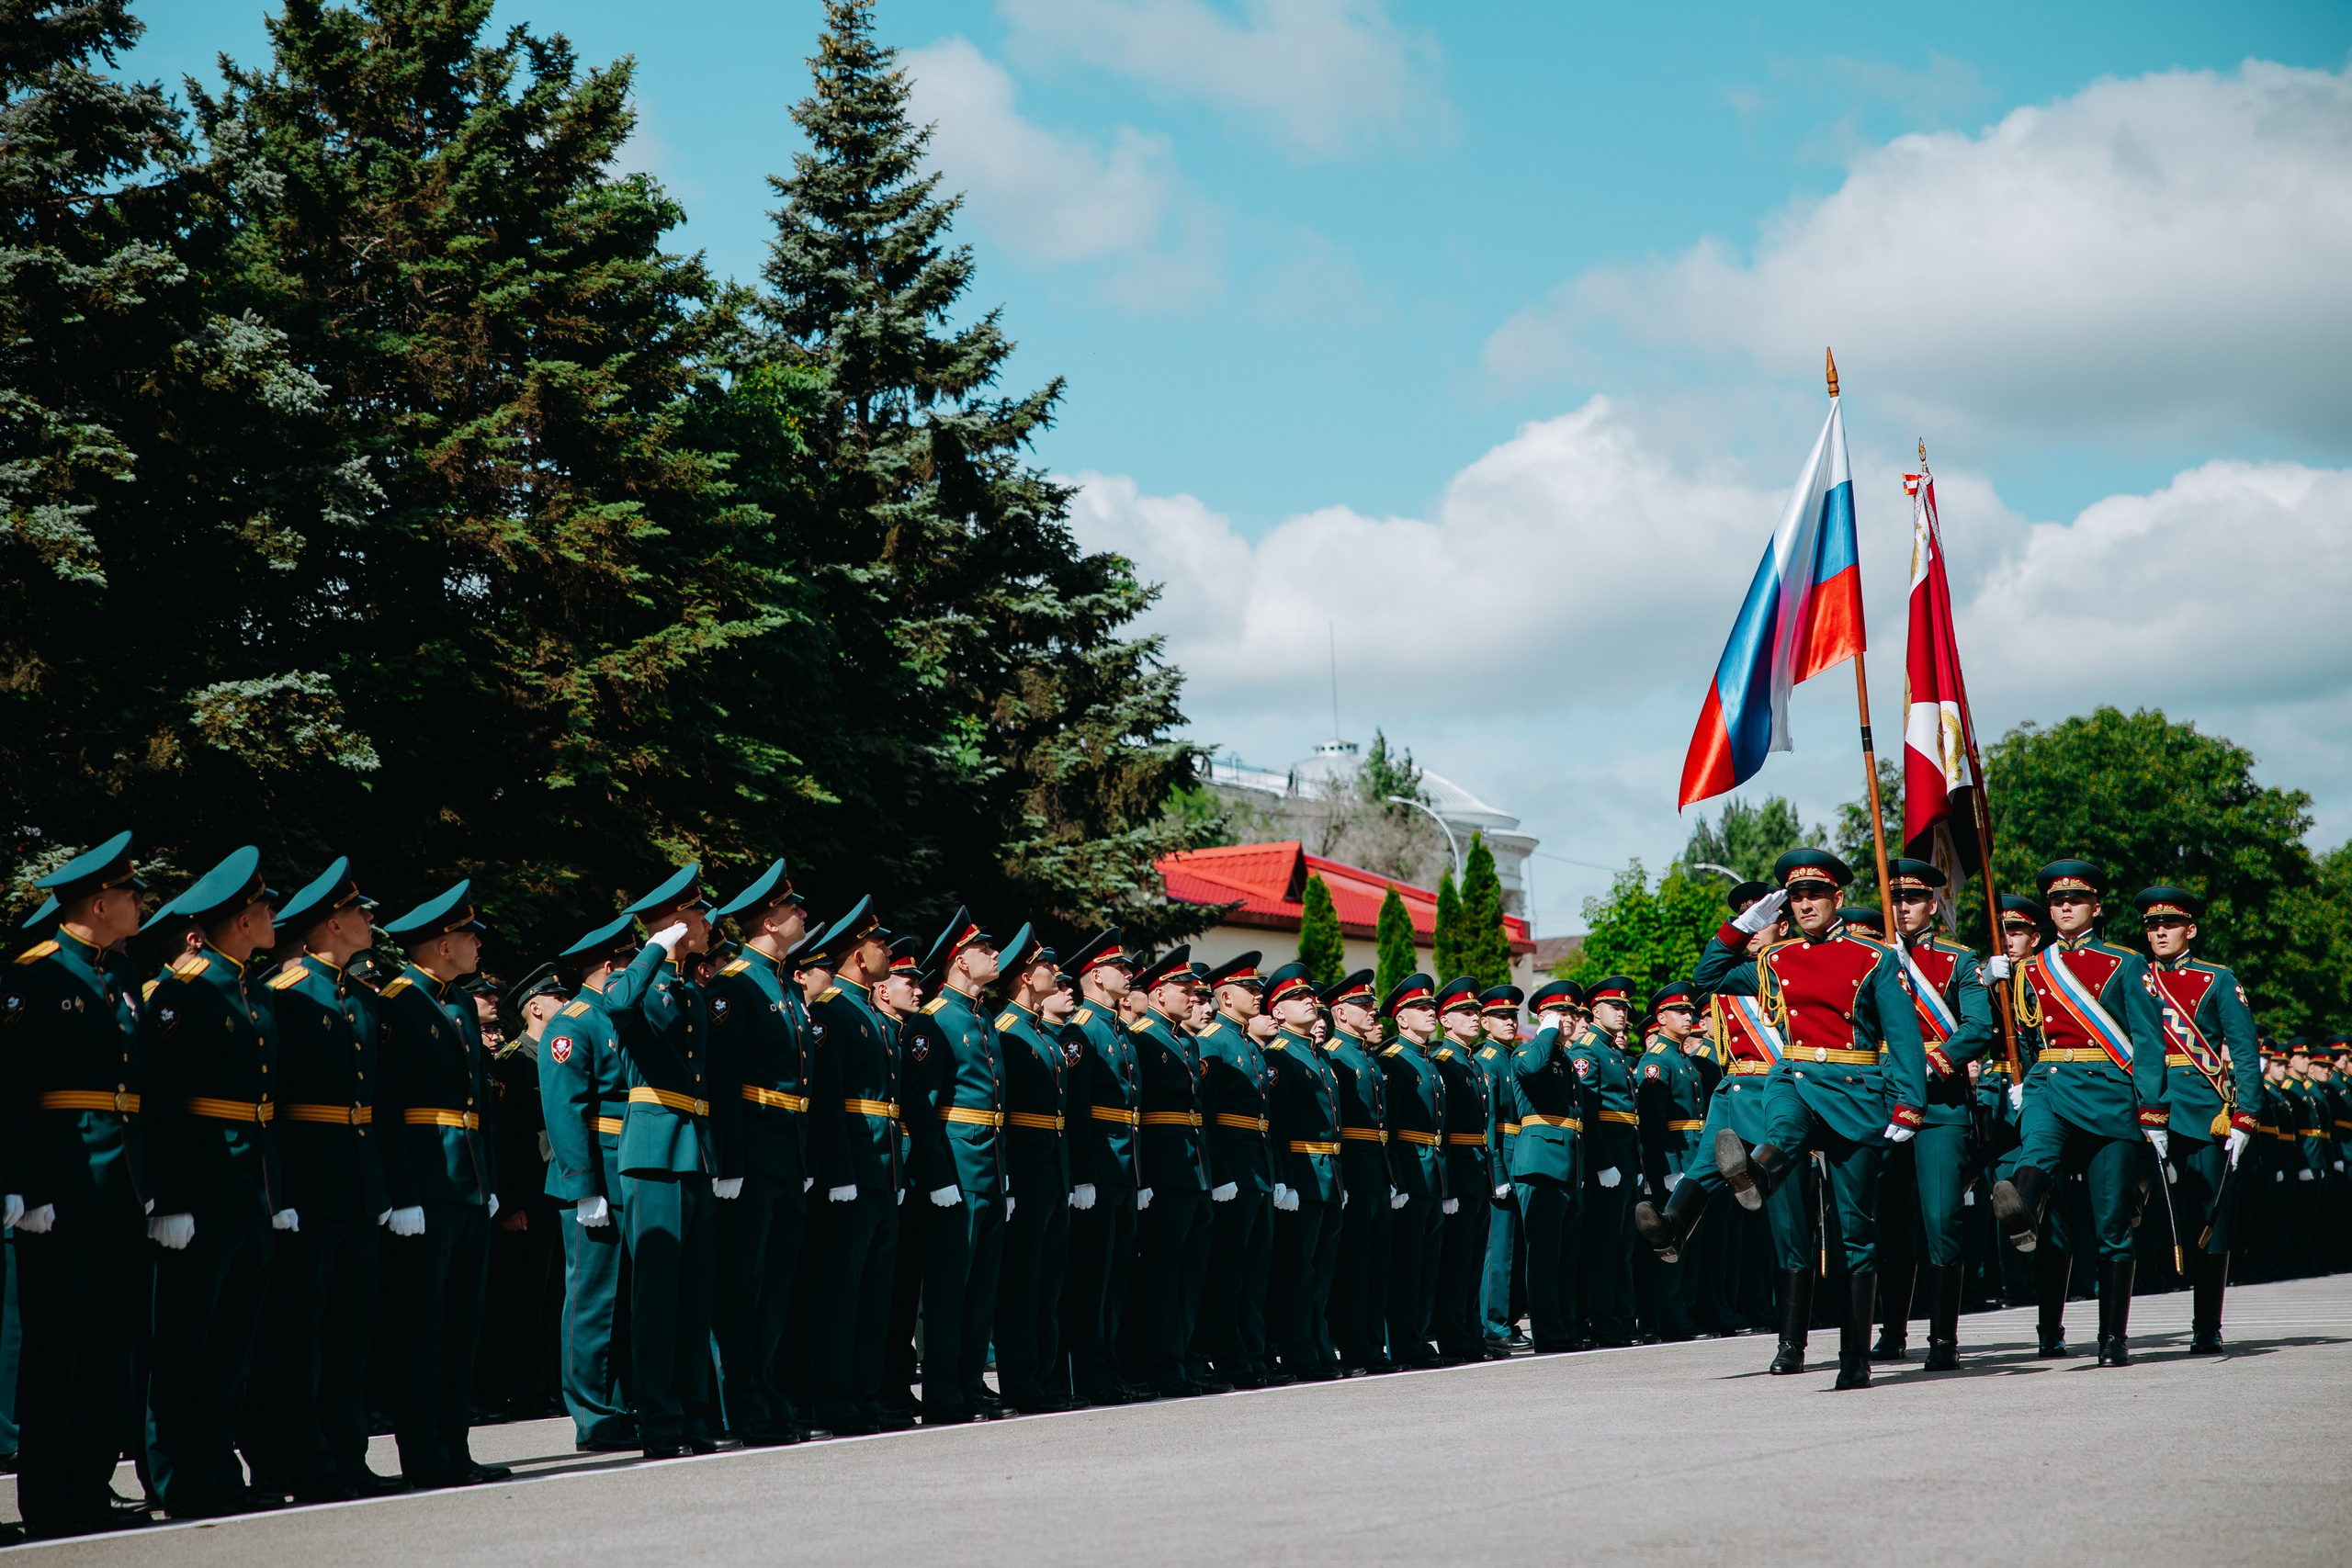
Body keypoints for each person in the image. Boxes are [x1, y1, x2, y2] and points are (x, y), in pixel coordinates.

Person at [1690, 850, 1928, 1390]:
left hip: (1854, 1092)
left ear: (1837, 898)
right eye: (1796, 897)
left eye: (1814, 894)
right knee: (1783, 1129)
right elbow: (1709, 976)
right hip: (1794, 1077)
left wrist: (1910, 1104)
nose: (1804, 905)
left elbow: (1904, 1036)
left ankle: (1855, 1356)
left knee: (1856, 1233)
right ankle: (1755, 1174)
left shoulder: (1874, 958)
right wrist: (1742, 927)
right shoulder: (1777, 958)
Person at [2, 835, 152, 1536]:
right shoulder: (34, 975)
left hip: (120, 1182)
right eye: (131, 894)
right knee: (57, 1345)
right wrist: (20, 1185)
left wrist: (151, 1180)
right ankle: (48, 1494)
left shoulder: (122, 974)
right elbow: (12, 1088)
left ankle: (91, 1484)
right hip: (60, 1184)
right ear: (99, 903)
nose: (141, 903)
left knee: (108, 1342)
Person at [140, 846, 295, 1517]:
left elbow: (265, 1108)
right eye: (264, 908)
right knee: (185, 1341)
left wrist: (276, 1194)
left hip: (249, 1189)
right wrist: (171, 1199)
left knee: (232, 1342)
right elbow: (163, 1102)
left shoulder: (251, 991)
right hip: (202, 1189)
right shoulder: (186, 990)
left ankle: (216, 1467)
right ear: (240, 919)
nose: (273, 917)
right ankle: (176, 1475)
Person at [243, 859, 403, 1503]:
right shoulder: (283, 992)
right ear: (332, 923)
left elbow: (378, 1101)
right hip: (307, 1181)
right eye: (361, 912)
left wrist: (384, 1187)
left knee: (348, 1333)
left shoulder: (360, 995)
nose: (370, 920)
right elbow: (270, 1099)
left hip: (357, 1183)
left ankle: (345, 1453)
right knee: (297, 1332)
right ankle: (296, 1457)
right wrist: (278, 1190)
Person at [1987, 861, 2166, 1367]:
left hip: (2109, 1094)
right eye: (2057, 901)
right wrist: (1986, 983)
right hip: (2049, 1084)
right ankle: (2021, 1206)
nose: (2065, 907)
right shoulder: (2031, 968)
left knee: (2111, 1222)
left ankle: (2113, 1336)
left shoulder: (2126, 963)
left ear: (2095, 907)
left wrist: (2153, 1111)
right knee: (2038, 1151)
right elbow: (2018, 1035)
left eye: (2075, 899)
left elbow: (2148, 1042)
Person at [375, 881, 511, 1486]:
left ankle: (454, 1446)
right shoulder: (398, 1004)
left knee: (461, 1325)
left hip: (467, 1184)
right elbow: (388, 1107)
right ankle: (423, 1451)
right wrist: (403, 1194)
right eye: (468, 935)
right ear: (441, 944)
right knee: (421, 1328)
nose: (478, 943)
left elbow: (479, 1103)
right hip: (427, 1186)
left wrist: (490, 1180)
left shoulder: (456, 1004)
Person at [600, 864, 724, 1457]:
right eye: (697, 915)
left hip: (692, 1149)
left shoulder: (689, 989)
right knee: (656, 1296)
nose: (708, 924)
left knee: (694, 1295)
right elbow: (620, 1005)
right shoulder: (634, 982)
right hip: (653, 1152)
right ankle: (659, 1419)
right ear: (675, 923)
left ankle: (693, 1414)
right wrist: (655, 945)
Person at [706, 859, 818, 1444]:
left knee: (777, 1284)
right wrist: (728, 1160)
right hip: (751, 1149)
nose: (802, 914)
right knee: (742, 1281)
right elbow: (723, 1080)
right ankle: (739, 1404)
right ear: (769, 922)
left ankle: (766, 1392)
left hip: (787, 1150)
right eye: (793, 908)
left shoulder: (784, 984)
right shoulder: (734, 985)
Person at [1874, 858, 1996, 1371]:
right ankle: (1892, 1332)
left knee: (1941, 1219)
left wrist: (1930, 1063)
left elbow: (1978, 1027)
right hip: (1881, 1101)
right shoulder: (1872, 958)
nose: (1902, 908)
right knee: (1888, 1221)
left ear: (1933, 904)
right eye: (1895, 899)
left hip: (1939, 1102)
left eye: (1913, 899)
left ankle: (1944, 1337)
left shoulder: (1958, 960)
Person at [2131, 885, 2261, 1351]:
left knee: (2209, 1218)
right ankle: (2116, 1328)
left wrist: (2246, 1115)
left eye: (2169, 924)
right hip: (2140, 1106)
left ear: (2191, 930)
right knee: (2129, 1210)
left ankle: (2207, 1324)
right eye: (2152, 926)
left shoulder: (2217, 979)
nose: (2160, 932)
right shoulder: (2131, 976)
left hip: (2202, 1111)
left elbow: (2244, 1050)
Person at [897, 909, 1011, 1423]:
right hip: (956, 1167)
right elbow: (919, 1105)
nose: (995, 956)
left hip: (989, 1164)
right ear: (961, 961)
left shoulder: (982, 1018)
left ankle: (969, 1382)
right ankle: (943, 1391)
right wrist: (939, 1176)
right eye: (986, 950)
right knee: (948, 1287)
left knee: (980, 1286)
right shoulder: (934, 1019)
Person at [805, 899, 907, 1435]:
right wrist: (840, 1171)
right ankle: (834, 1398)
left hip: (882, 1169)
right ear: (858, 956)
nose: (886, 950)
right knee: (840, 1291)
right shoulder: (832, 1012)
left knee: (874, 1293)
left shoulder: (869, 1013)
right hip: (853, 1169)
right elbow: (827, 1099)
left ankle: (867, 1396)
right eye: (879, 943)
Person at [542, 915, 639, 1450]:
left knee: (625, 1298)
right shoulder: (573, 1022)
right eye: (630, 963)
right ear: (609, 966)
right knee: (593, 1299)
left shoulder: (620, 1015)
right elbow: (565, 1110)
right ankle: (592, 1415)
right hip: (597, 1172)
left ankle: (621, 1405)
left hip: (629, 1166)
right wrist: (583, 1186)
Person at [1057, 929, 1148, 1406]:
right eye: (1119, 967)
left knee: (1115, 1277)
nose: (1128, 973)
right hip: (1100, 1166)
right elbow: (1075, 1110)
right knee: (1092, 1278)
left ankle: (1108, 1367)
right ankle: (1089, 1374)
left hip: (1124, 1168)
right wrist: (1084, 1174)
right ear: (1095, 976)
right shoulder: (1082, 1031)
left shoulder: (1117, 1031)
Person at [1128, 945, 1218, 1397]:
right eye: (1186, 990)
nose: (1194, 997)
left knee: (1189, 1275)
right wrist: (1143, 1176)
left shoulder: (1185, 1040)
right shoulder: (1143, 1038)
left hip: (1193, 1168)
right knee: (1162, 1275)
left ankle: (1182, 1360)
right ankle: (1162, 1366)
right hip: (1164, 1170)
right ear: (1160, 993)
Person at [991, 930, 1075, 1413]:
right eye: (1047, 968)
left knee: (1047, 1284)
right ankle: (1022, 1381)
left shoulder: (1040, 1031)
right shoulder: (1007, 1030)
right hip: (1025, 1170)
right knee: (1023, 1284)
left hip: (1051, 1169)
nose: (1057, 975)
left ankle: (1045, 1375)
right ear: (1026, 977)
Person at [477, 964, 565, 1423]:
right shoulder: (512, 1059)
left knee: (555, 1294)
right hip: (531, 1191)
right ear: (535, 1007)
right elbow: (507, 1138)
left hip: (560, 1187)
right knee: (525, 1296)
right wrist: (509, 1202)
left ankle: (548, 1387)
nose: (566, 1003)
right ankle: (518, 1388)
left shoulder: (559, 1053)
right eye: (557, 998)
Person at [1195, 953, 1277, 1387]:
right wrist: (1221, 1172)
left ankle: (1253, 1356)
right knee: (1229, 1273)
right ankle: (1231, 1359)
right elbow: (1205, 1116)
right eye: (1250, 989)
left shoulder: (1247, 1044)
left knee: (1254, 1273)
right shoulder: (1213, 1042)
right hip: (1234, 1171)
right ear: (1226, 997)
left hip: (1257, 1169)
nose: (1258, 995)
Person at [1261, 962, 1341, 1382]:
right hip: (1302, 1174)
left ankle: (1320, 1348)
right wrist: (1285, 1180)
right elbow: (1276, 1126)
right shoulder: (1278, 1055)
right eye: (1298, 997)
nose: (1311, 1000)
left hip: (1328, 1174)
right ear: (1277, 1011)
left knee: (1321, 1272)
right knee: (1297, 1272)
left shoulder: (1318, 1054)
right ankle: (1300, 1353)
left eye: (1310, 995)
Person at [1320, 970, 1396, 1375]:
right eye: (1363, 1006)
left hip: (1377, 1171)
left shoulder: (1366, 1054)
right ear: (1340, 1012)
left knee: (1376, 1267)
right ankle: (1354, 1345)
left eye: (1372, 1005)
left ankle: (1371, 1343)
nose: (1372, 1012)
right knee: (1354, 1267)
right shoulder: (1334, 1054)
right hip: (1352, 1170)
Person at [1567, 977, 1643, 1349]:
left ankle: (1622, 1318)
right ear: (1595, 1011)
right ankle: (1604, 1321)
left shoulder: (1612, 1051)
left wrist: (1636, 1163)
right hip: (1608, 1159)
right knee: (1604, 1246)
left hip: (1625, 1157)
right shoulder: (1588, 1050)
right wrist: (1601, 1162)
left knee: (1622, 1244)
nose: (1622, 1013)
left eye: (1625, 1008)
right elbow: (1589, 1111)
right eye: (1615, 1007)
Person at [1510, 980, 1585, 1354]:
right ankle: (1548, 1333)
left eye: (1572, 1013)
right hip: (1540, 1163)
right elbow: (1530, 1069)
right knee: (1543, 1256)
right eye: (1562, 1013)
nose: (1569, 1019)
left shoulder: (1565, 1059)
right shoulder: (1528, 1052)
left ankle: (1565, 1327)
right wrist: (1546, 1031)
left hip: (1568, 1163)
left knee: (1566, 1256)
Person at [1430, 977, 1502, 1361]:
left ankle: (1472, 1335)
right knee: (1456, 1264)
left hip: (1476, 1169)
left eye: (1476, 1012)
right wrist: (1449, 1185)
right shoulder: (1445, 1062)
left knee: (1473, 1262)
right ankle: (1455, 1338)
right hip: (1457, 1171)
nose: (1475, 1017)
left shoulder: (1470, 1061)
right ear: (1446, 1021)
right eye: (1465, 1012)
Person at [1380, 973, 1450, 1369]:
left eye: (1431, 1007)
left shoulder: (1428, 1060)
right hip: (1409, 1169)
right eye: (1421, 1008)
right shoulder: (1394, 1061)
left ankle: (1418, 1337)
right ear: (1402, 1019)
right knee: (1407, 1265)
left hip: (1432, 1170)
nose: (1431, 1013)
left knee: (1426, 1264)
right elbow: (1386, 1128)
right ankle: (1404, 1342)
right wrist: (1396, 1179)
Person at [1634, 985, 1708, 1342]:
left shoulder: (1682, 1059)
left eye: (1690, 1012)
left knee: (1692, 1243)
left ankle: (1686, 1315)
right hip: (1674, 1162)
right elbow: (1652, 1123)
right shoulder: (1657, 1061)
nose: (1688, 1017)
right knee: (1672, 1243)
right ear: (1661, 1019)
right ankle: (1670, 1320)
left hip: (1693, 1157)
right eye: (1680, 1012)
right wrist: (1669, 1167)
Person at [1476, 986, 1526, 1353]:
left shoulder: (1513, 1056)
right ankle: (1494, 1324)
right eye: (1501, 1016)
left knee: (1516, 1248)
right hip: (1503, 1159)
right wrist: (1497, 1170)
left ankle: (1509, 1317)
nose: (1510, 1022)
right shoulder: (1488, 1060)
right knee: (1500, 1249)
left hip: (1519, 1156)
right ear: (1485, 1022)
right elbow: (1489, 1120)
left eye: (1513, 1016)